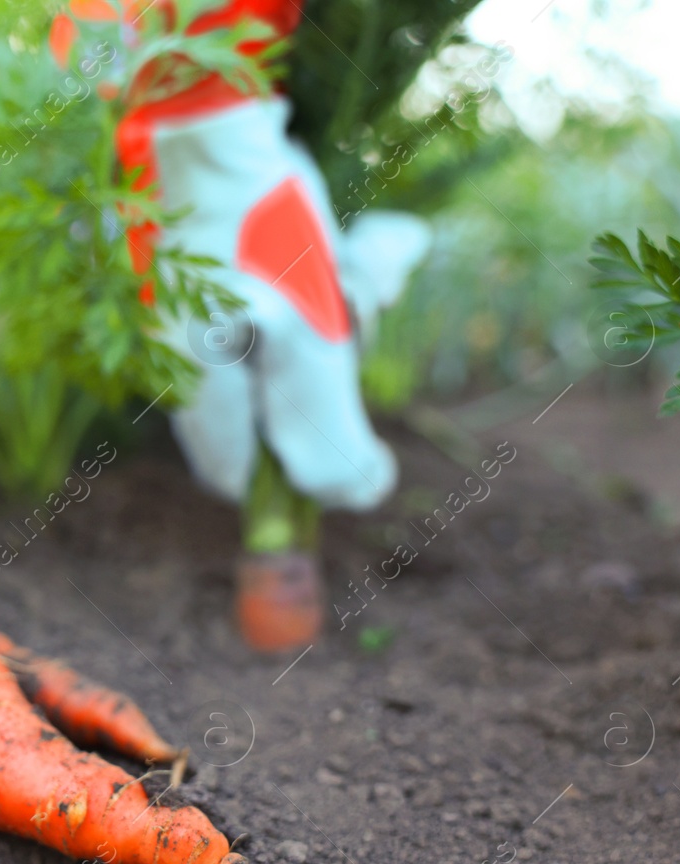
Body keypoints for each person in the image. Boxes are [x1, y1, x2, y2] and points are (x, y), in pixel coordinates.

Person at [53, 0, 430, 651]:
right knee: (204, 382)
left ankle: (357, 285)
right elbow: (77, 66)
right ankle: (360, 279)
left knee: (312, 354)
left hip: (254, 176)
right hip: (159, 194)